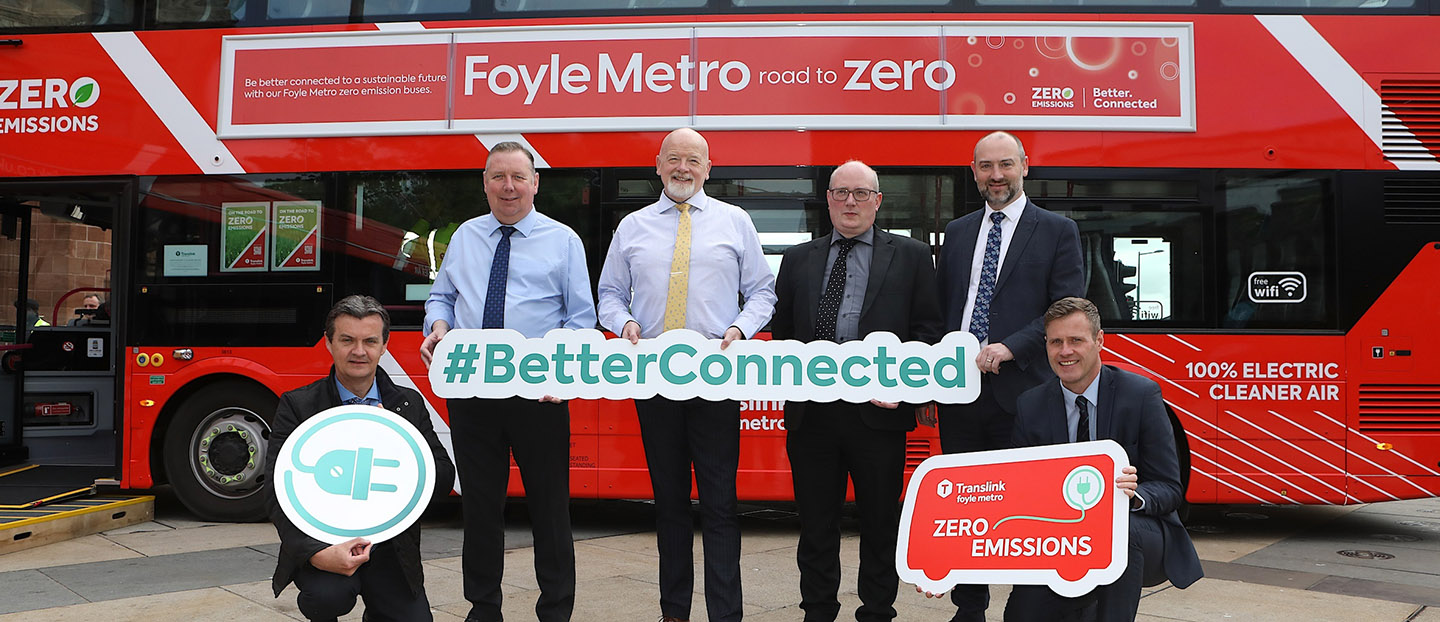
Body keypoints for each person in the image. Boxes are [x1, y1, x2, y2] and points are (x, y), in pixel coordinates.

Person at [596, 127, 776, 622]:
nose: (682, 168)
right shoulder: (632, 226)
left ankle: (726, 615)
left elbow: (763, 291)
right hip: (654, 380)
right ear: (657, 165)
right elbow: (608, 295)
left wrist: (740, 328)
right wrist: (624, 323)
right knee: (669, 504)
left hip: (716, 382)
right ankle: (673, 612)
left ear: (707, 169)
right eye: (674, 159)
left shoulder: (735, 221)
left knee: (720, 505)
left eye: (693, 160)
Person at [420, 142, 595, 622]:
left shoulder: (564, 241)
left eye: (519, 176)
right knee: (478, 508)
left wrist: (556, 367)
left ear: (536, 182)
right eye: (499, 176)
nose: (509, 186)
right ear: (484, 182)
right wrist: (437, 326)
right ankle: (483, 609)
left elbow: (582, 321)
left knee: (550, 508)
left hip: (538, 395)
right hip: (473, 392)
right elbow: (442, 297)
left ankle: (556, 610)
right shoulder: (464, 238)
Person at [771, 161, 943, 622]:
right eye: (842, 192)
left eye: (862, 194)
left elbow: (927, 331)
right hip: (813, 415)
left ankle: (877, 610)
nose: (851, 202)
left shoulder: (911, 256)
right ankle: (818, 610)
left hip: (879, 415)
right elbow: (784, 334)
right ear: (827, 199)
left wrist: (903, 385)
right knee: (816, 524)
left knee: (880, 522)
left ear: (878, 201)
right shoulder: (797, 259)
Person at [934, 131, 1085, 621]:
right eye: (985, 166)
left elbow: (1066, 309)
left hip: (1026, 391)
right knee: (965, 507)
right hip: (959, 393)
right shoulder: (956, 232)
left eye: (1005, 165)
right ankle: (969, 607)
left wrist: (1012, 346)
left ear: (1025, 165)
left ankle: (1028, 604)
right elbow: (943, 310)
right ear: (972, 171)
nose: (996, 175)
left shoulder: (1058, 229)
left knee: (1028, 504)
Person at [1005, 297, 1202, 621]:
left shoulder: (1141, 395)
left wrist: (1133, 495)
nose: (1065, 351)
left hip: (1137, 533)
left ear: (1099, 340)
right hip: (1059, 535)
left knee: (1117, 532)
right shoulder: (1031, 405)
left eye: (1076, 340)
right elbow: (1016, 493)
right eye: (1056, 342)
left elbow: (1169, 488)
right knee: (1020, 614)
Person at [266, 295, 456, 622]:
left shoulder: (406, 403)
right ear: (328, 344)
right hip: (326, 541)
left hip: (392, 548)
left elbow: (443, 477)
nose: (359, 351)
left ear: (384, 346)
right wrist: (316, 554)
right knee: (327, 598)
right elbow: (275, 492)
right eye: (347, 340)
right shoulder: (298, 405)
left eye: (370, 341)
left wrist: (400, 441)